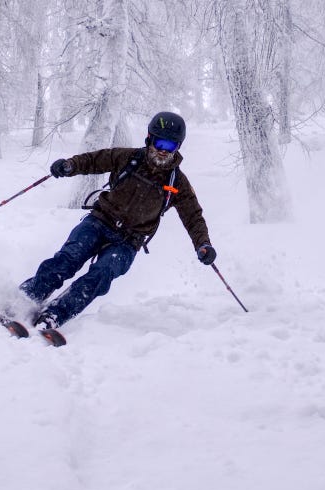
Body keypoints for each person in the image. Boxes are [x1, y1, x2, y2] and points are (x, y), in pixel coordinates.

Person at [19, 111, 217, 332]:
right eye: (159, 142)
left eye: (169, 146)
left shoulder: (177, 182)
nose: (163, 150)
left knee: (100, 275)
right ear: (149, 139)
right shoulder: (128, 158)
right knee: (67, 259)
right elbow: (95, 160)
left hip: (128, 242)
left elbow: (193, 217)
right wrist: (69, 165)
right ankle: (24, 299)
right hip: (99, 222)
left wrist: (203, 244)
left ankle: (55, 315)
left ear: (177, 147)